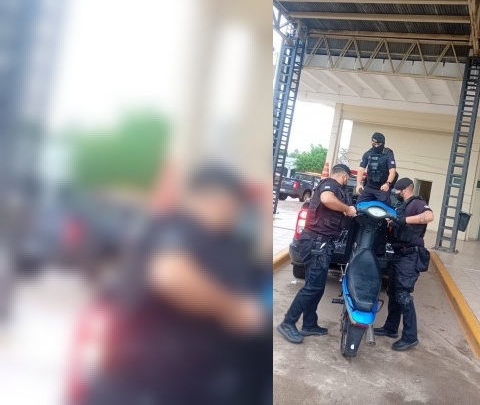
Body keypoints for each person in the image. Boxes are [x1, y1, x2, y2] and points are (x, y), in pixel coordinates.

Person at [86, 165, 267, 405]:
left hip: (191, 385)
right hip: (145, 385)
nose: (235, 214)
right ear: (217, 199)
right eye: (234, 205)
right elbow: (170, 275)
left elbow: (257, 273)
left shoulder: (223, 244)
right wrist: (233, 309)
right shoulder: (178, 225)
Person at [277, 164, 357, 344]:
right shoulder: (330, 185)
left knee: (317, 286)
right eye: (347, 178)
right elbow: (327, 199)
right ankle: (287, 323)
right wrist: (347, 209)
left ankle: (309, 323)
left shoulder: (336, 189)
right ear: (344, 176)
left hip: (321, 243)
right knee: (312, 287)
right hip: (316, 242)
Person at [374, 178, 433, 351]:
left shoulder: (417, 203)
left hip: (410, 256)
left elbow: (429, 216)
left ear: (406, 189)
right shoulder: (402, 205)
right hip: (398, 254)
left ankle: (410, 337)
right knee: (393, 292)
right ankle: (390, 328)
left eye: (399, 191)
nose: (397, 193)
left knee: (403, 295)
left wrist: (404, 220)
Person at [355, 132, 396, 205]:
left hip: (382, 186)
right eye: (374, 144)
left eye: (378, 144)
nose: (376, 146)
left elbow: (392, 171)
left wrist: (387, 184)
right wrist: (358, 184)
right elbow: (361, 170)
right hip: (369, 186)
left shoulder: (388, 153)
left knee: (384, 207)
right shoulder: (368, 154)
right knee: (359, 204)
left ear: (383, 143)